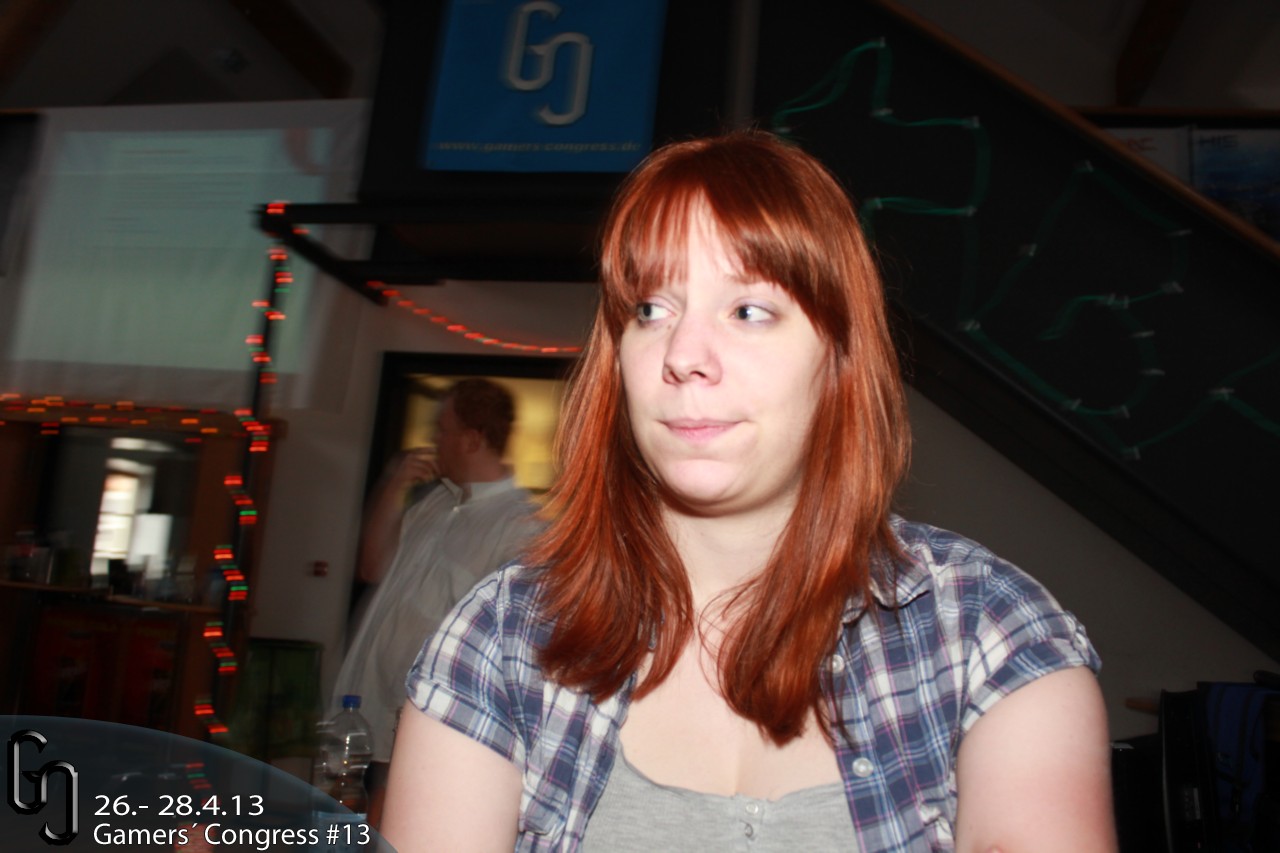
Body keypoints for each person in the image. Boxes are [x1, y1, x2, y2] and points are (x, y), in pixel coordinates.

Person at [382, 132, 1116, 852]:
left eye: (748, 311)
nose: (682, 355)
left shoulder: (986, 631)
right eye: (651, 309)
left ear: (838, 358)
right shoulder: (502, 639)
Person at [329, 378, 540, 826]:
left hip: (422, 724)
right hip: (367, 712)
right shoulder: (435, 503)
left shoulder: (519, 527)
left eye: (442, 430)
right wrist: (394, 486)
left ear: (472, 439)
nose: (433, 441)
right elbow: (371, 566)